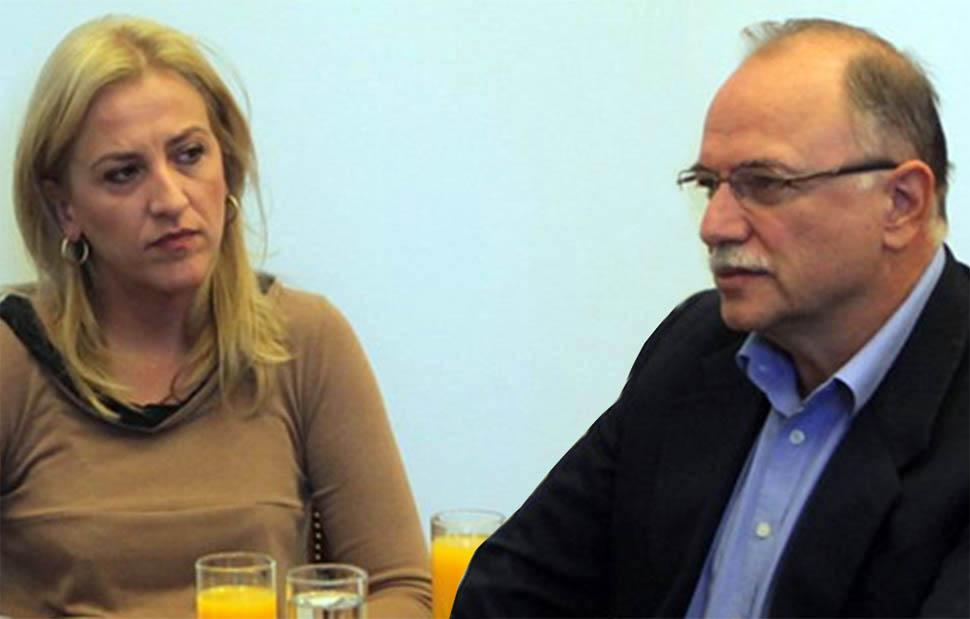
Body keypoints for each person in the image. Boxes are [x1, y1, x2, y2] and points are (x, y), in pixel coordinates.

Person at [453, 18, 968, 618]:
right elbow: (509, 593)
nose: (714, 225)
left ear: (901, 203)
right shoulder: (698, 347)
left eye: (764, 183)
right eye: (708, 184)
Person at [0, 15, 431, 618]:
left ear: (226, 163)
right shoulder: (12, 358)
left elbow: (403, 591)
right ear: (64, 207)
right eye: (124, 173)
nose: (170, 199)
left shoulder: (304, 341)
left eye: (189, 155)